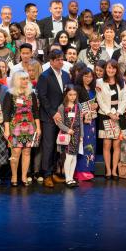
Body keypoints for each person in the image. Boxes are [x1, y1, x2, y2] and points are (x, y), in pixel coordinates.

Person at [36, 49, 71, 186]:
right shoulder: (44, 76)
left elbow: (67, 95)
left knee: (59, 146)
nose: (61, 62)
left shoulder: (67, 75)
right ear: (51, 61)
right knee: (49, 146)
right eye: (58, 60)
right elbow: (42, 97)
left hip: (62, 117)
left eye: (62, 59)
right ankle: (46, 175)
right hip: (49, 117)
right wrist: (53, 113)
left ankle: (55, 172)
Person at [3, 71, 40, 186]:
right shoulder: (10, 94)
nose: (25, 81)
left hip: (30, 126)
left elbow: (36, 112)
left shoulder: (31, 93)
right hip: (15, 127)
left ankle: (24, 177)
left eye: (26, 79)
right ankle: (14, 176)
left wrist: (38, 128)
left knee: (27, 151)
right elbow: (6, 113)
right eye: (23, 79)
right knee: (16, 152)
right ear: (16, 80)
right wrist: (7, 129)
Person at [97, 60, 126, 178]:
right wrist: (109, 113)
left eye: (113, 68)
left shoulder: (121, 82)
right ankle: (108, 170)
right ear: (106, 69)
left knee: (117, 145)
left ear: (117, 70)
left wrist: (118, 113)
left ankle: (115, 170)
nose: (111, 70)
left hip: (119, 116)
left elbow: (125, 99)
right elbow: (100, 100)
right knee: (106, 144)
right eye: (109, 68)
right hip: (105, 115)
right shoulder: (99, 82)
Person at [54, 85, 82, 187]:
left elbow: (81, 122)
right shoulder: (62, 107)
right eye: (70, 94)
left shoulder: (78, 106)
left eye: (74, 94)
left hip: (77, 134)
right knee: (69, 156)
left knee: (74, 156)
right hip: (67, 135)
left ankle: (71, 177)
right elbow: (59, 123)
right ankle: (68, 178)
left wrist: (81, 135)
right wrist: (67, 130)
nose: (73, 97)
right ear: (66, 95)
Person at [74, 68, 99, 182]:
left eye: (90, 76)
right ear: (81, 76)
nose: (88, 79)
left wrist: (96, 106)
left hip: (92, 120)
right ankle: (80, 171)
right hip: (82, 120)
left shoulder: (94, 89)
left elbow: (97, 102)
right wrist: (85, 111)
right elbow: (75, 104)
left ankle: (88, 169)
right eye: (85, 76)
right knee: (82, 143)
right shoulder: (77, 88)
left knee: (91, 144)